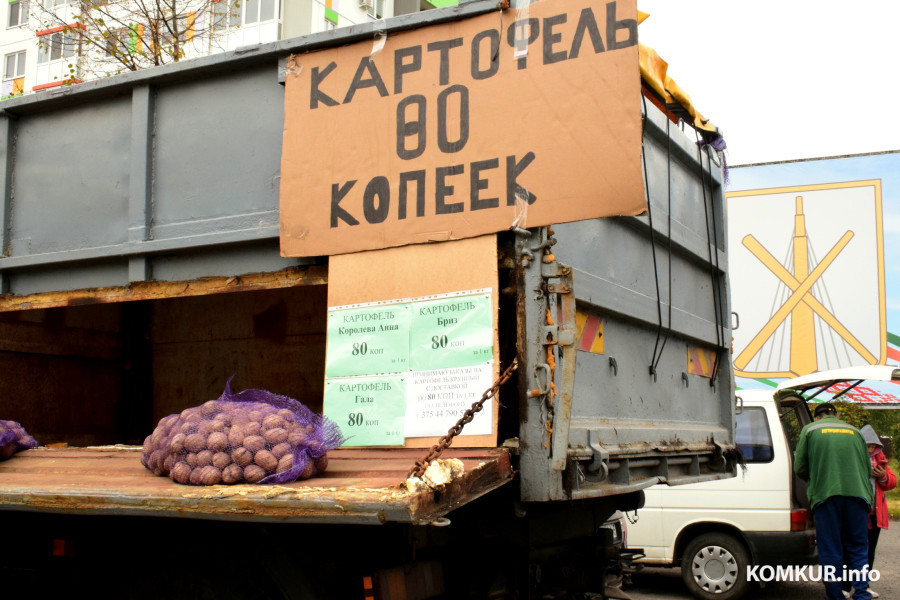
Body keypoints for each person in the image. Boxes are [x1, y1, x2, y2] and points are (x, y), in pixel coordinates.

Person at [794, 402, 873, 600]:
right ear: (836, 415)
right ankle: (862, 593)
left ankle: (836, 595)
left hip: (826, 496)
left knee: (830, 548)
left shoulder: (810, 430)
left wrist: (816, 478)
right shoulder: (855, 431)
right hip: (858, 496)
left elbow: (800, 467)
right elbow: (867, 468)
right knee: (858, 547)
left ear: (817, 416)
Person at [840, 425, 897, 599]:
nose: (871, 449)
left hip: (874, 514)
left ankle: (863, 586)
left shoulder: (880, 458)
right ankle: (845, 586)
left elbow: (891, 482)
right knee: (850, 551)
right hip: (856, 513)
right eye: (867, 446)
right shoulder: (851, 457)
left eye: (873, 446)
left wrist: (882, 476)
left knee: (869, 551)